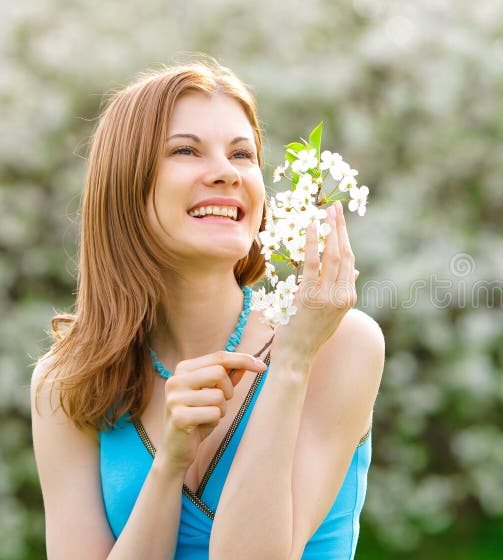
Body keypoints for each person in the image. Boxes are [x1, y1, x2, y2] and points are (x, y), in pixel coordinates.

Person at [29, 58, 385, 560]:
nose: (225, 173)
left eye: (242, 155)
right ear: (125, 184)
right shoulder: (67, 383)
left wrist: (293, 360)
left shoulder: (340, 343)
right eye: (185, 150)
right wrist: (170, 463)